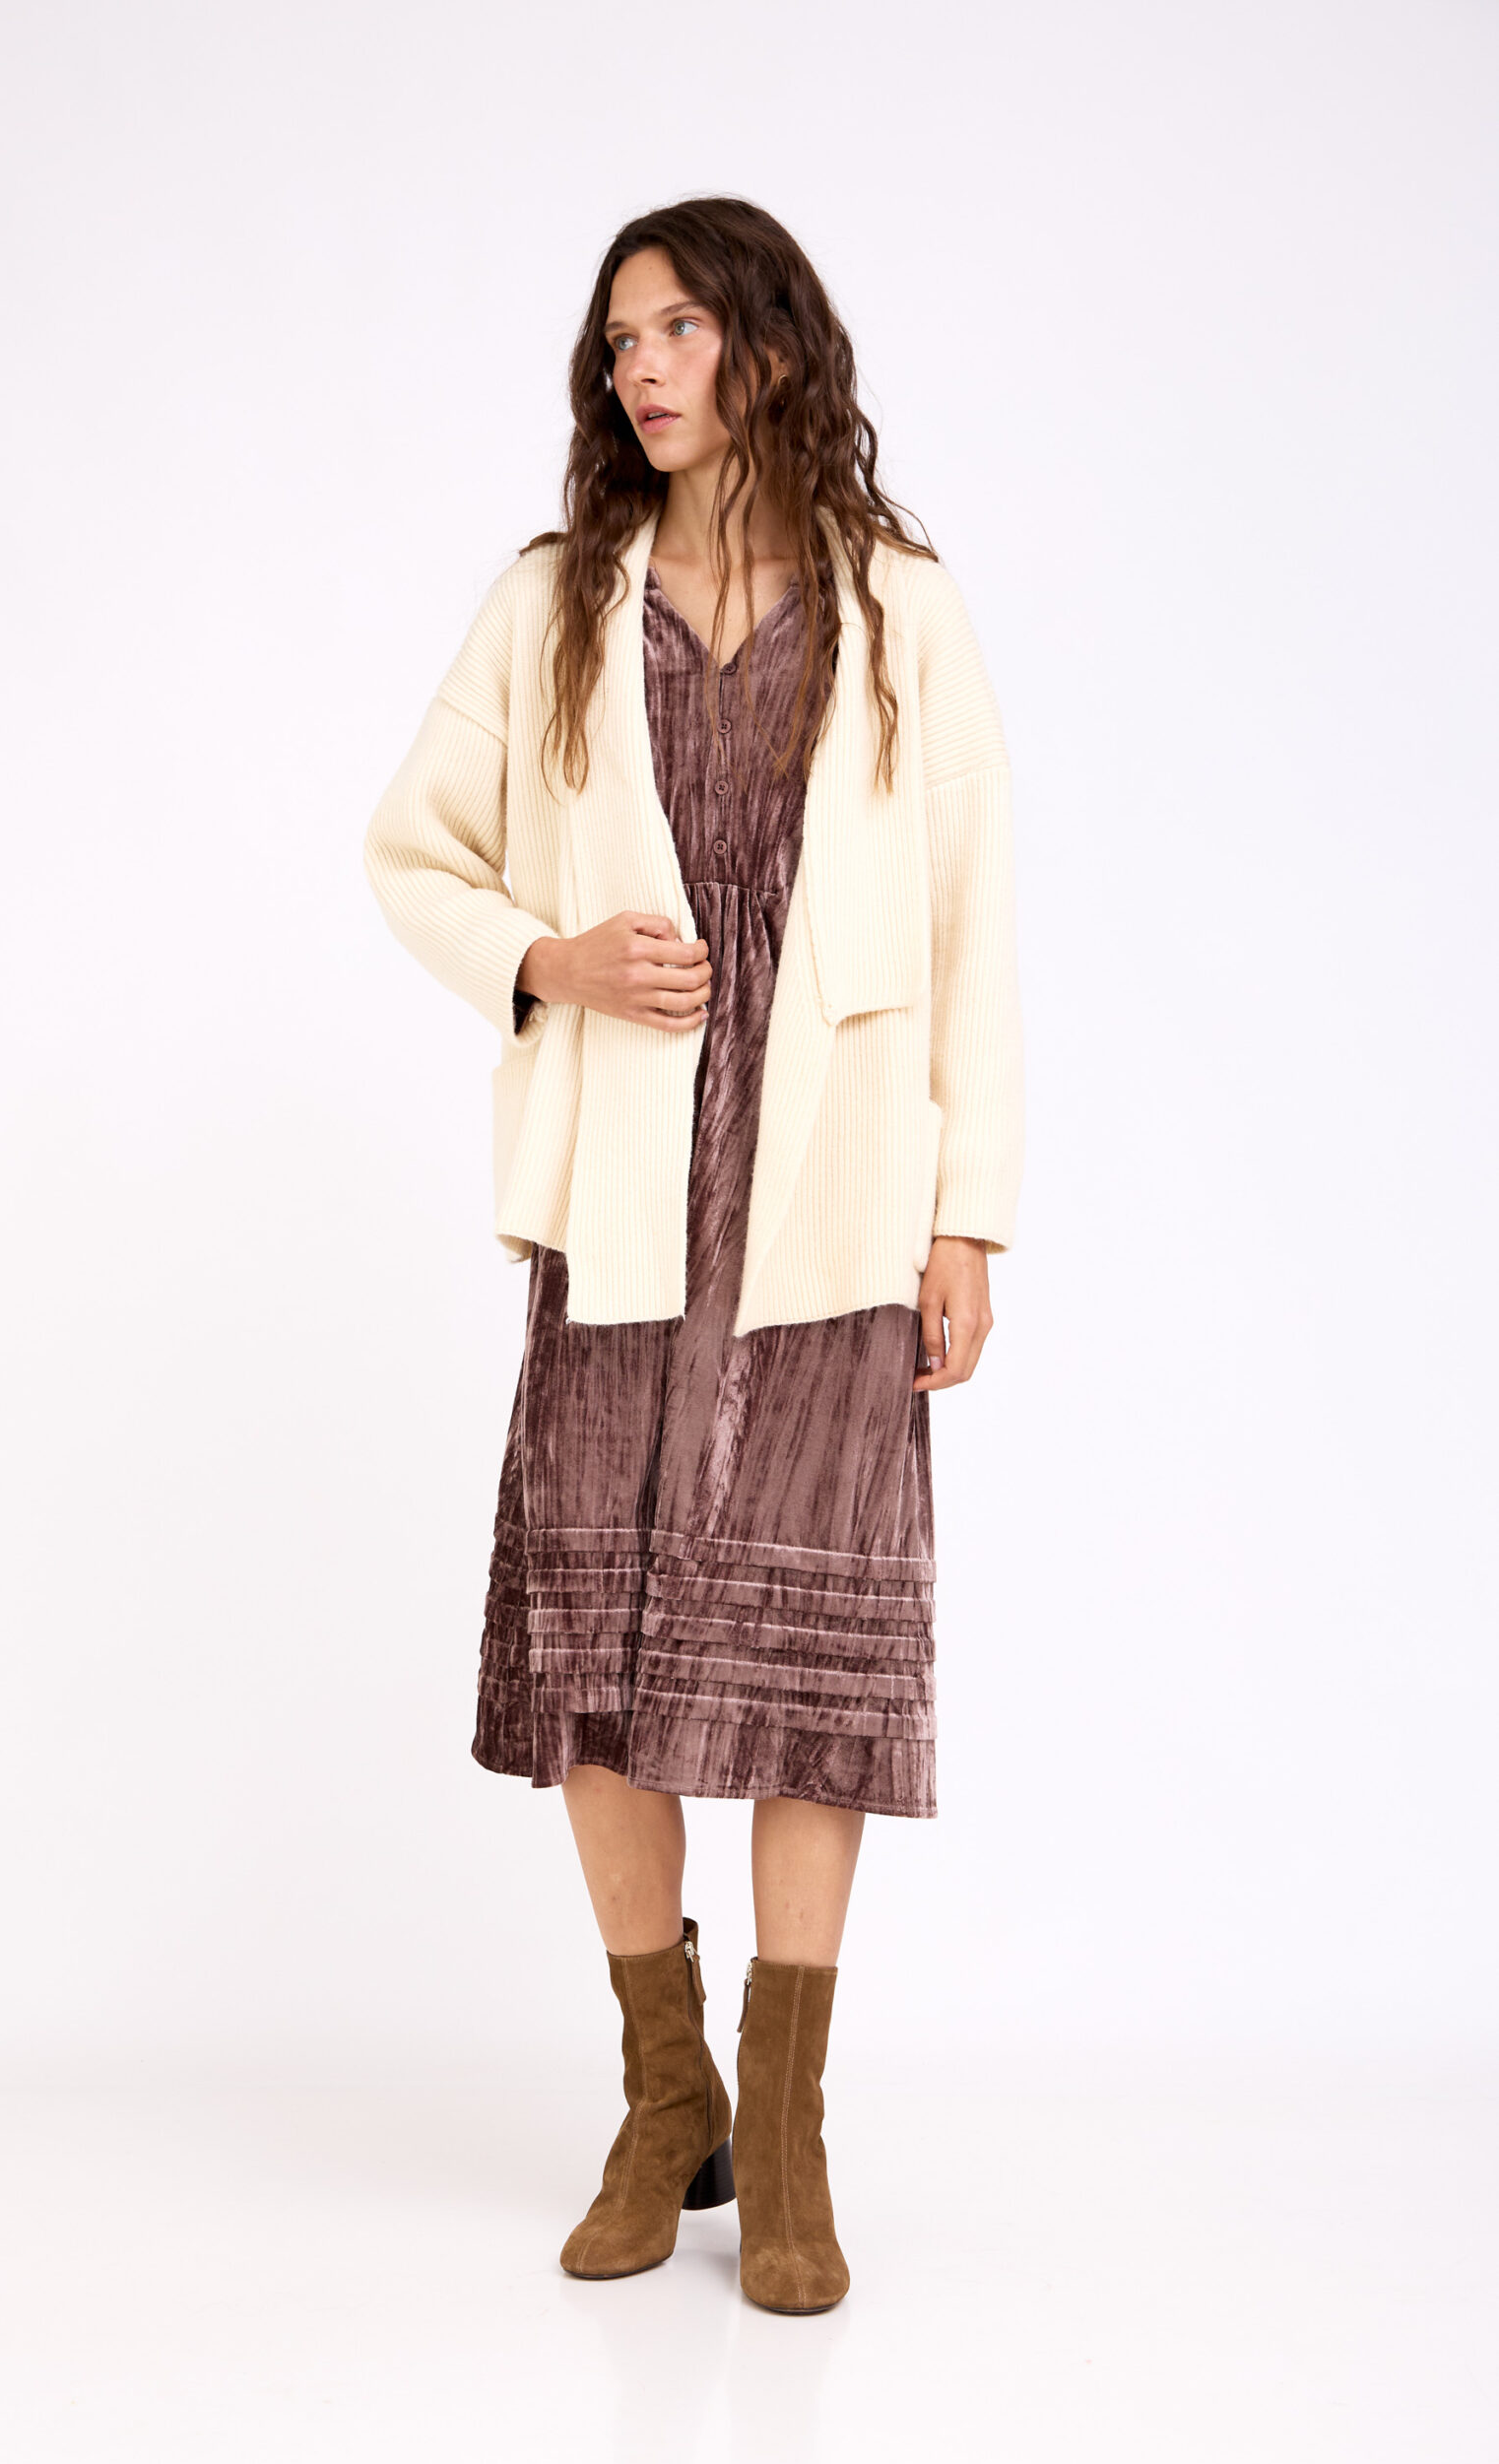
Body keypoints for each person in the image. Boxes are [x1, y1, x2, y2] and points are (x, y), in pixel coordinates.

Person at [363, 196, 1023, 2314]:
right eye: (616, 339)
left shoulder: (899, 606)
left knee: (808, 1672)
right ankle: (670, 2096)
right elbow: (410, 849)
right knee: (598, 1659)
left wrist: (969, 1209)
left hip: (835, 1188)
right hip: (626, 1187)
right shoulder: (556, 599)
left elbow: (972, 921)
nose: (638, 366)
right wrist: (546, 957)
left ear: (766, 341)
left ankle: (790, 2124)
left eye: (675, 328)